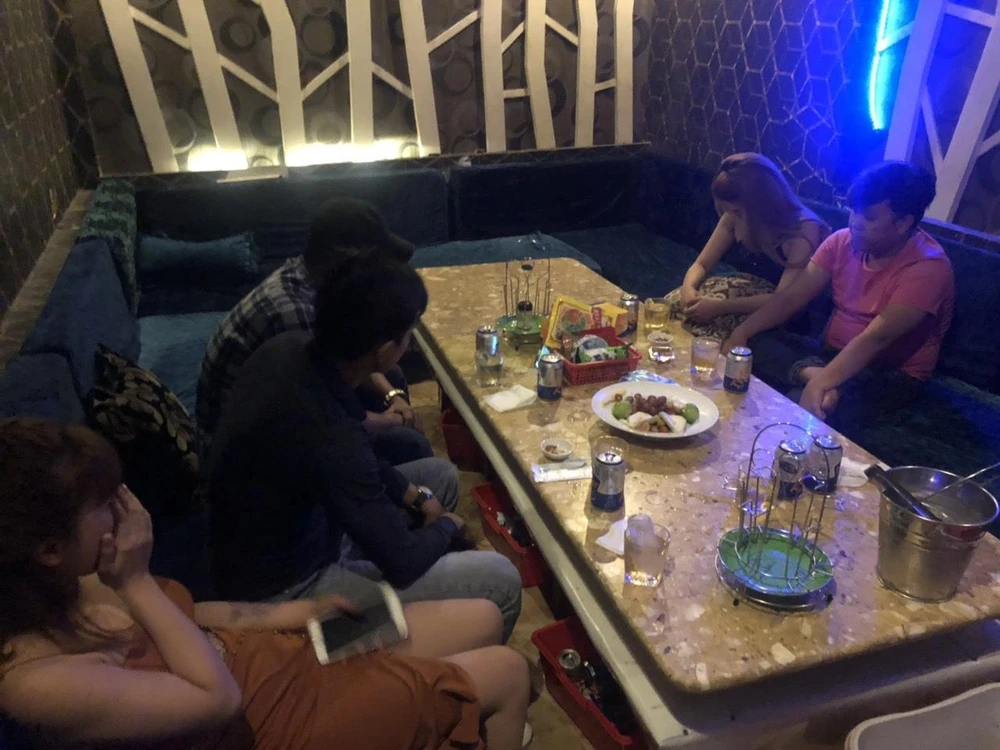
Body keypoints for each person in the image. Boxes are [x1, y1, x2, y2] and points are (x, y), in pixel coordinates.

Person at [0, 418, 531, 750]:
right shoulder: (35, 683)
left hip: (270, 652)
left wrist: (286, 615)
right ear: (48, 550)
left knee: (482, 616)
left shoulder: (75, 576)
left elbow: (189, 615)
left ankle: (442, 721)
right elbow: (218, 700)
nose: (127, 511)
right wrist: (136, 582)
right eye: (105, 504)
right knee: (507, 673)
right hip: (271, 720)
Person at [206, 253, 523, 640]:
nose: (409, 342)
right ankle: (437, 667)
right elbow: (403, 561)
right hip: (286, 589)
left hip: (297, 529)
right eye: (409, 333)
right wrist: (445, 526)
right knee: (501, 578)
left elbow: (354, 454)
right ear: (385, 349)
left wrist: (410, 494)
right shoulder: (329, 433)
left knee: (440, 477)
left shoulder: (290, 350)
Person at [196, 197, 431, 466]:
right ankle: (374, 477)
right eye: (374, 263)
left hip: (284, 412)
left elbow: (354, 360)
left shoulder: (309, 278)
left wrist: (392, 396)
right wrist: (396, 420)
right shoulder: (296, 315)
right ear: (343, 258)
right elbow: (329, 414)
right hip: (248, 457)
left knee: (391, 374)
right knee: (409, 443)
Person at [725, 161, 954, 432]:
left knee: (821, 402)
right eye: (853, 211)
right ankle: (813, 375)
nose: (855, 223)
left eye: (868, 217)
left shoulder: (928, 267)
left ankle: (816, 384)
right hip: (829, 353)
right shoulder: (841, 241)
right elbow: (790, 298)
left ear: (904, 223)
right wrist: (742, 332)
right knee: (753, 342)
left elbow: (877, 339)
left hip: (889, 372)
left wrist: (822, 384)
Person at [668, 153, 830, 339]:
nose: (731, 215)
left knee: (707, 328)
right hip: (741, 291)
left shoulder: (803, 230)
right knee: (670, 307)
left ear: (761, 204)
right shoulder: (734, 213)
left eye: (737, 211)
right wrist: (688, 290)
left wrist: (719, 307)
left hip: (777, 312)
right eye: (727, 210)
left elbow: (784, 300)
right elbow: (701, 264)